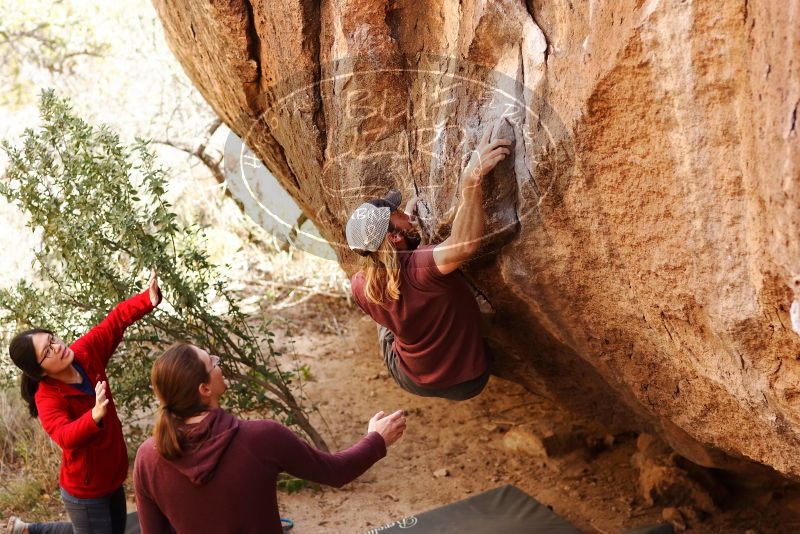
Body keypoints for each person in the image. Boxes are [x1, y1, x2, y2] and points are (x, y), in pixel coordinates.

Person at [133, 343, 406, 534]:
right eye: (212, 362)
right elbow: (335, 472)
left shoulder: (148, 457)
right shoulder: (262, 438)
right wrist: (376, 440)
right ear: (204, 389)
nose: (218, 363)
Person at [345, 122, 512, 401]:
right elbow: (465, 244)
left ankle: (398, 310)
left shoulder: (359, 285)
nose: (406, 213)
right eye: (398, 213)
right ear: (394, 237)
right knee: (411, 300)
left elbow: (401, 270)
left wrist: (405, 233)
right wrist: (470, 183)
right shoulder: (423, 269)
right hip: (469, 383)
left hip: (410, 376)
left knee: (387, 314)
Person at [6, 272, 162, 534]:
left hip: (113, 475)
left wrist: (148, 298)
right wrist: (94, 416)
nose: (56, 347)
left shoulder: (85, 352)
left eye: (52, 339)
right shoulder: (47, 397)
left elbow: (115, 322)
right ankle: (30, 530)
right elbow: (64, 435)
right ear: (40, 371)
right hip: (86, 492)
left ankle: (28, 529)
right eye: (47, 352)